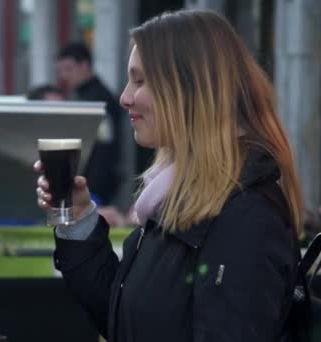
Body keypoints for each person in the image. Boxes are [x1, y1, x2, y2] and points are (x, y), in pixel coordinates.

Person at [35, 9, 303, 342]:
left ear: (189, 90)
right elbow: (126, 319)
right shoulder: (177, 197)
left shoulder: (246, 216)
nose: (124, 97)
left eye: (140, 80)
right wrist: (78, 219)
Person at [56, 41, 130, 226]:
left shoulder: (97, 99)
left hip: (95, 183)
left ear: (85, 66)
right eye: (61, 70)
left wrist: (94, 187)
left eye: (68, 69)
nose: (64, 76)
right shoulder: (84, 96)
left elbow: (104, 147)